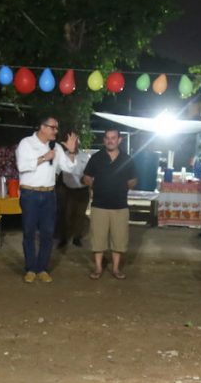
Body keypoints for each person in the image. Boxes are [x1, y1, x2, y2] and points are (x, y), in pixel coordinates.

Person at [15, 117, 81, 283]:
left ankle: (42, 268)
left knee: (48, 233)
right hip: (30, 194)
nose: (56, 131)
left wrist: (71, 152)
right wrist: (44, 157)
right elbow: (22, 166)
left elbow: (69, 167)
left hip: (49, 195)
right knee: (29, 232)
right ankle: (30, 268)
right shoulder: (26, 143)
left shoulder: (57, 147)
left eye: (56, 128)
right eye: (53, 128)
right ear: (42, 127)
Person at [83, 129, 137, 280]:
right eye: (107, 138)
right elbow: (86, 176)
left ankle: (115, 268)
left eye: (113, 138)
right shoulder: (96, 158)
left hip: (120, 205)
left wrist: (129, 184)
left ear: (119, 140)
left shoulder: (127, 159)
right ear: (104, 140)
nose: (110, 140)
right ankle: (98, 268)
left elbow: (133, 179)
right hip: (99, 204)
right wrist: (92, 184)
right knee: (97, 239)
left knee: (119, 239)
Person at [56, 145, 91, 250]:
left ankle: (77, 237)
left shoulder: (85, 156)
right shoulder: (62, 156)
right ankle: (64, 238)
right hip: (68, 189)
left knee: (80, 214)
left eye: (76, 141)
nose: (74, 144)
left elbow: (90, 173)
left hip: (83, 189)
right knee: (66, 214)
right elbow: (56, 173)